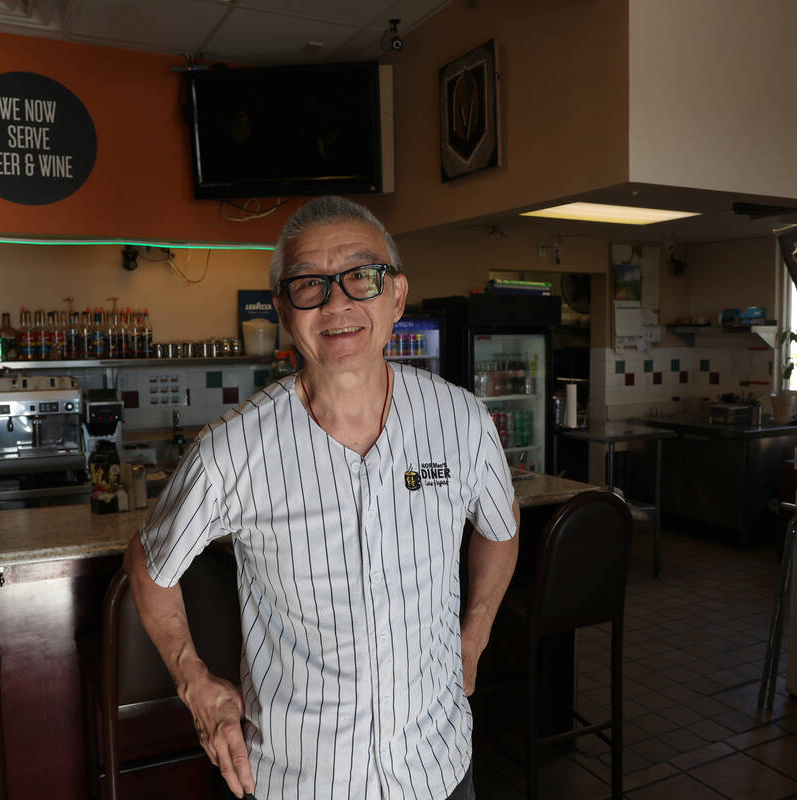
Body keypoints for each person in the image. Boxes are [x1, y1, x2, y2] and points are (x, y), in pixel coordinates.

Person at [124, 195, 520, 799]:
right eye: (310, 284)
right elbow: (150, 564)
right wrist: (192, 679)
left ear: (397, 296)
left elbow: (500, 525)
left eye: (363, 276)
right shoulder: (231, 449)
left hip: (438, 767)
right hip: (299, 780)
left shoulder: (460, 420)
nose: (337, 304)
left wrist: (477, 632)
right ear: (284, 310)